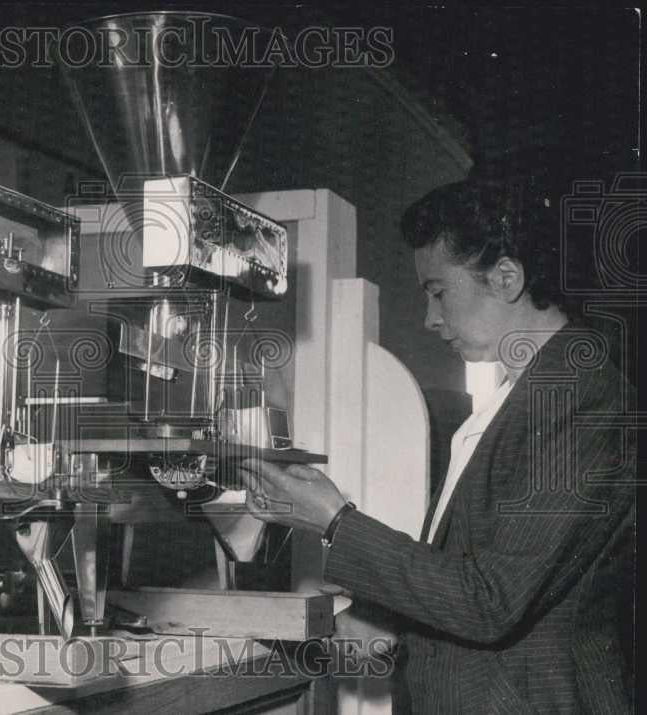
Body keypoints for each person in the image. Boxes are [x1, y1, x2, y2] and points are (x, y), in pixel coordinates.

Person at [241, 177, 635, 713]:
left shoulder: (583, 396)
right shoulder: (521, 395)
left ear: (506, 278)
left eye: (438, 291)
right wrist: (382, 621)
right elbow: (485, 582)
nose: (430, 318)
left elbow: (489, 601)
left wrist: (336, 521)